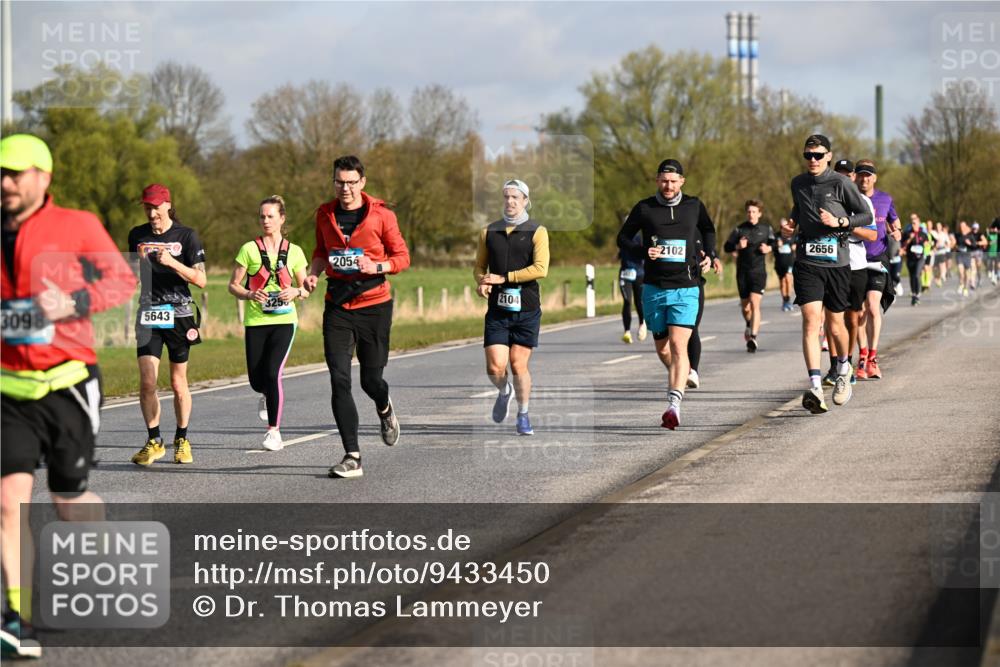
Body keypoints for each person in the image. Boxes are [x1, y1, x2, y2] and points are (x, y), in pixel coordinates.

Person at [1, 134, 137, 658]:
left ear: (44, 176)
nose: (6, 183)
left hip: (67, 384)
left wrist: (74, 301)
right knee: (8, 502)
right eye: (0, 173)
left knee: (68, 501)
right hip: (8, 388)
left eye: (15, 173)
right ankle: (17, 621)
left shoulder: (75, 224)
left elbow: (122, 280)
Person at [303, 155, 410, 479]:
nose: (345, 188)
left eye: (351, 182)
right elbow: (321, 252)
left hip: (374, 305)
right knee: (339, 378)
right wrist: (313, 273)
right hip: (337, 305)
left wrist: (376, 266)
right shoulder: (325, 214)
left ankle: (384, 407)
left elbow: (402, 257)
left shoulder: (382, 215)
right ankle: (352, 456)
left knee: (370, 380)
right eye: (339, 182)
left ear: (362, 182)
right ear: (333, 182)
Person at [617, 159, 718, 429]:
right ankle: (680, 374)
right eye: (664, 181)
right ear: (657, 181)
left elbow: (708, 229)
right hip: (654, 288)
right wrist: (643, 251)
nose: (668, 186)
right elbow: (622, 238)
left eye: (673, 181)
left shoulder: (694, 206)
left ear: (682, 181)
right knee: (663, 349)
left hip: (686, 287)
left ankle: (674, 405)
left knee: (677, 345)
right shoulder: (645, 208)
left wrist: (711, 254)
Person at [781, 134, 873, 414]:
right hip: (808, 261)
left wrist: (840, 221)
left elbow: (865, 216)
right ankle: (815, 386)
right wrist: (790, 226)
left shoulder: (841, 183)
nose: (813, 160)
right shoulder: (798, 183)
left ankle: (844, 367)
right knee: (811, 321)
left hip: (837, 262)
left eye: (818, 155)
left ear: (828, 157)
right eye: (808, 155)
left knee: (835, 325)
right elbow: (798, 209)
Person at [128, 184, 207, 466]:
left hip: (179, 315)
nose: (152, 214)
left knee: (177, 382)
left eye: (156, 208)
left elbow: (200, 280)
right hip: (148, 314)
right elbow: (132, 275)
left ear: (167, 206)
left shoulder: (187, 236)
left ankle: (182, 439)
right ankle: (154, 441)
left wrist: (173, 262)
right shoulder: (137, 235)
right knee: (147, 381)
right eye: (147, 208)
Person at [228, 195, 310, 451]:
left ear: (281, 219)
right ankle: (265, 394)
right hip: (256, 321)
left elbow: (306, 288)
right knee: (256, 380)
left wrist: (296, 291)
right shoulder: (248, 249)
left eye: (270, 216)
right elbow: (233, 285)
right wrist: (250, 294)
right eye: (262, 216)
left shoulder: (295, 252)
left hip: (285, 321)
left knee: (274, 373)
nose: (265, 220)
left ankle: (274, 432)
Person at [476, 179, 549, 436]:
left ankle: (523, 414)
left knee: (518, 365)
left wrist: (503, 278)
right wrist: (482, 282)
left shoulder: (537, 231)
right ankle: (504, 390)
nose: (510, 201)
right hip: (498, 310)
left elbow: (541, 269)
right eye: (506, 197)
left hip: (526, 309)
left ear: (525, 201)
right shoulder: (489, 231)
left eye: (515, 197)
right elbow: (479, 267)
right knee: (495, 367)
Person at [855, 160, 899, 380]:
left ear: (874, 178)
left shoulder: (885, 199)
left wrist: (897, 232)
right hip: (855, 258)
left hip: (878, 258)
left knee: (873, 307)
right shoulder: (849, 198)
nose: (864, 179)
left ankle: (872, 358)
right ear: (855, 177)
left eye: (868, 175)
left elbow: (895, 222)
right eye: (861, 175)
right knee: (858, 312)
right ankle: (862, 356)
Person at [723, 199, 774, 353]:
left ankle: (753, 337)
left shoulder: (766, 229)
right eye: (749, 212)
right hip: (743, 273)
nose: (751, 214)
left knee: (754, 303)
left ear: (759, 213)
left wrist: (769, 248)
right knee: (746, 307)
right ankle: (748, 324)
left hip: (758, 272)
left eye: (754, 212)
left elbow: (774, 243)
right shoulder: (739, 229)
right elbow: (726, 247)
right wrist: (738, 246)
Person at [617, 228, 646, 344]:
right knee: (627, 301)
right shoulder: (622, 237)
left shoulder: (640, 237)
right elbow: (620, 253)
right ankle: (627, 332)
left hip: (639, 274)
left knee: (639, 301)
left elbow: (644, 253)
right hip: (625, 273)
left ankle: (642, 324)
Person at [901, 214, 931, 306]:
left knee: (917, 275)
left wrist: (927, 244)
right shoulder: (907, 233)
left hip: (920, 258)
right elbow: (903, 245)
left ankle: (917, 294)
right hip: (910, 258)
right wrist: (909, 239)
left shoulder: (923, 234)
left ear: (919, 224)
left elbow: (927, 243)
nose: (913, 225)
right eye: (912, 223)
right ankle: (914, 293)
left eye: (915, 223)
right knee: (912, 276)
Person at [774, 219, 796, 312]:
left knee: (788, 279)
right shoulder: (776, 236)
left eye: (785, 226)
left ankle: (789, 299)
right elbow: (771, 247)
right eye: (781, 227)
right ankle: (785, 301)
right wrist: (776, 245)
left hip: (790, 261)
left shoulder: (792, 235)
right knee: (782, 281)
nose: (783, 228)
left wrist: (795, 246)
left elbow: (797, 244)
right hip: (779, 262)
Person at [953, 220, 975, 297]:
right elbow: (954, 243)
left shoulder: (970, 236)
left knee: (967, 274)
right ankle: (961, 284)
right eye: (961, 226)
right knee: (961, 272)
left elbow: (974, 246)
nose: (962, 228)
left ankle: (965, 288)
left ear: (966, 227)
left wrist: (970, 243)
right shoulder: (957, 235)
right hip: (959, 256)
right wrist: (954, 246)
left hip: (967, 256)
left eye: (963, 226)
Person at [988, 218, 1000, 285]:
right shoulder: (992, 235)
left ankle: (997, 275)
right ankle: (995, 276)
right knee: (996, 264)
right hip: (996, 251)